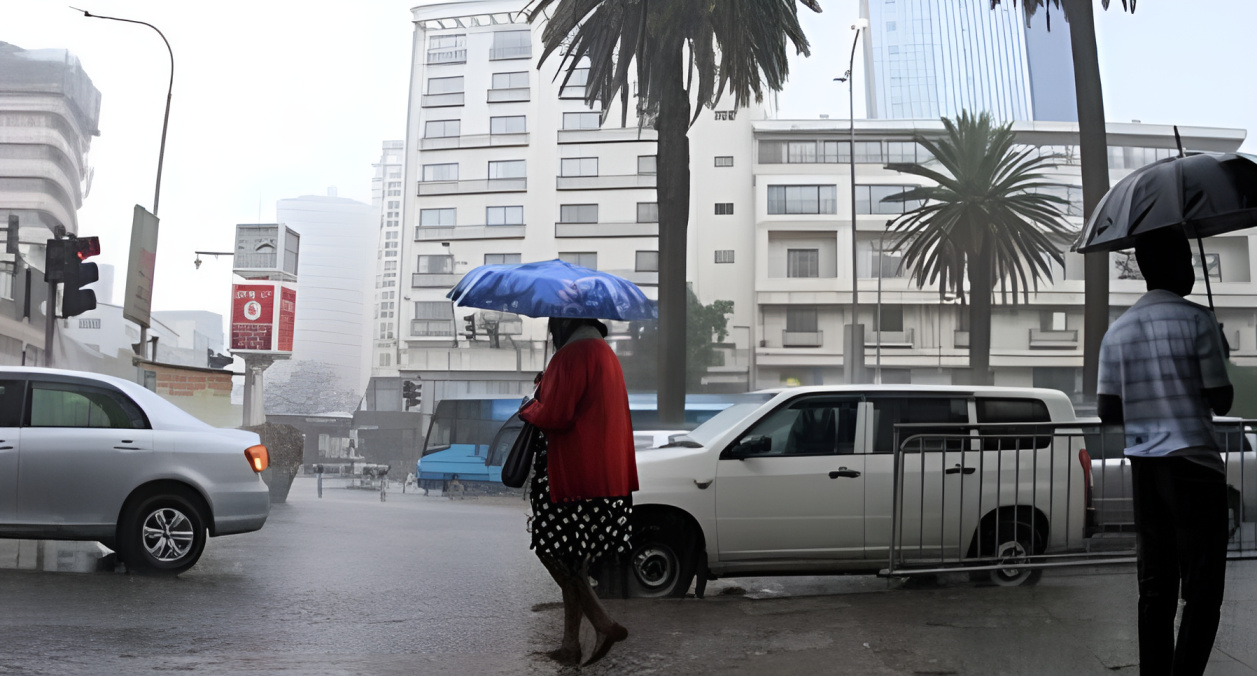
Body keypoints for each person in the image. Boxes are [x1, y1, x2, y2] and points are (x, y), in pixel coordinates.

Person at [1097, 226, 1234, 676]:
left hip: (1146, 467)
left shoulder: (1117, 331)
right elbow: (1222, 399)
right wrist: (1220, 352)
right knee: (1203, 588)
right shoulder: (1199, 321)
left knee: (1155, 586)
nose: (1193, 271)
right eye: (1189, 262)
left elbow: (1107, 411)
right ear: (1175, 265)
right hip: (1195, 464)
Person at [519, 316, 638, 666]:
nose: (552, 333)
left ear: (565, 323)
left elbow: (556, 415)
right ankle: (570, 645)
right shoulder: (604, 352)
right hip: (603, 476)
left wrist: (528, 406)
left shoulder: (572, 355)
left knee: (550, 550)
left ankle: (602, 622)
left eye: (554, 325)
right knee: (574, 558)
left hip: (571, 475)